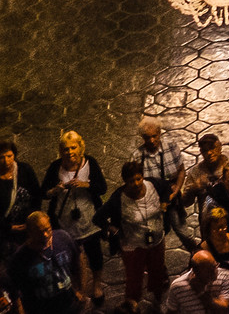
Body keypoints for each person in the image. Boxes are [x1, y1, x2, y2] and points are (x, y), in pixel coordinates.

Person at [40, 132, 107, 300]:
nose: (69, 152)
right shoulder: (56, 167)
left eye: (73, 147)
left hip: (88, 218)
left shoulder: (90, 163)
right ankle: (78, 287)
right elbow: (43, 193)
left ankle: (97, 284)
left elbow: (102, 188)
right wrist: (55, 190)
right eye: (65, 149)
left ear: (80, 147)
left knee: (94, 253)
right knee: (71, 256)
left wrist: (86, 185)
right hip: (65, 222)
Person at [101, 161, 167, 308]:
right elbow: (98, 217)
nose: (136, 184)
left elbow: (167, 189)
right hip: (133, 246)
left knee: (157, 272)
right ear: (125, 182)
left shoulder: (154, 185)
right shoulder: (118, 199)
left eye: (139, 179)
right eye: (131, 181)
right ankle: (132, 307)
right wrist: (114, 230)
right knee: (134, 280)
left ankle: (158, 300)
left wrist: (165, 202)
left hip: (156, 241)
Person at [132, 118, 196, 253]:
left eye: (154, 136)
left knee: (183, 231)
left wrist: (176, 189)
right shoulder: (137, 157)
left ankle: (198, 256)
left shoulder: (171, 147)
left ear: (159, 133)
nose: (151, 141)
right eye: (147, 137)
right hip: (151, 205)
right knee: (156, 237)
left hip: (172, 199)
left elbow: (181, 171)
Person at [0, 144, 41, 260]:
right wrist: (8, 227)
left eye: (9, 156)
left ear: (14, 155)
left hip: (27, 225)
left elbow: (36, 194)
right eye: (2, 157)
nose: (6, 161)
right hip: (6, 231)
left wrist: (33, 218)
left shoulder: (25, 170)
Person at [8, 214, 80, 314]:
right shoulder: (20, 258)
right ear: (29, 233)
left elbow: (78, 260)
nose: (45, 235)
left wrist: (80, 290)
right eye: (39, 232)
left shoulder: (63, 238)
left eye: (47, 229)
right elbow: (16, 289)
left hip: (69, 303)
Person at [164, 251, 229, 314]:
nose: (214, 272)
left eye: (215, 266)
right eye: (208, 271)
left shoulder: (225, 276)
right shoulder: (178, 286)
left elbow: (223, 310)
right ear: (196, 271)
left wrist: (201, 293)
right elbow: (171, 310)